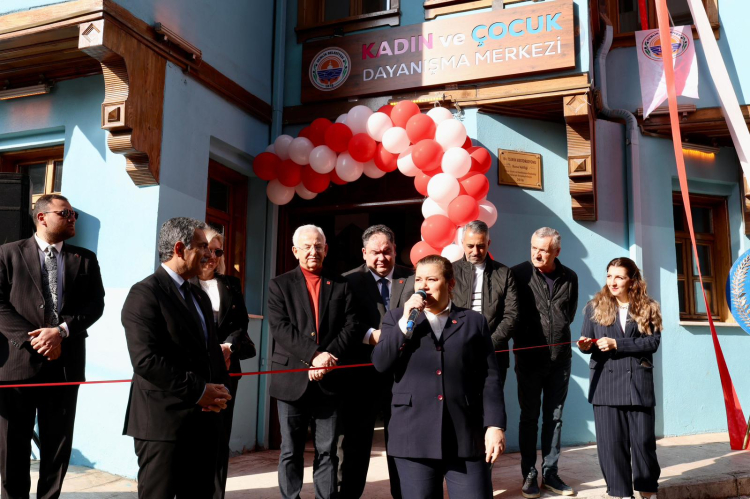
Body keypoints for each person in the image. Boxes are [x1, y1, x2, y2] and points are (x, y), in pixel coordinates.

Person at [373, 255, 506, 499]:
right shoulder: (395, 319)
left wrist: (494, 425)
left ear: (450, 283)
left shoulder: (474, 322)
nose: (423, 286)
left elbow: (490, 377)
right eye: (419, 280)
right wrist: (405, 321)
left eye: (432, 279)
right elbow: (381, 363)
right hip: (413, 435)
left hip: (465, 434)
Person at [0, 194, 105, 499]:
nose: (73, 218)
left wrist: (61, 332)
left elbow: (95, 305)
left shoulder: (85, 259)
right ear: (42, 217)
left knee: (57, 447)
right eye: (65, 213)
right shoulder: (7, 254)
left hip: (65, 366)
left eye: (74, 214)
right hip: (17, 366)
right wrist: (36, 339)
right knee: (12, 448)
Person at [121, 217, 231, 498]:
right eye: (202, 247)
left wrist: (219, 393)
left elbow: (209, 351)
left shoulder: (199, 296)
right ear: (180, 249)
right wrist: (200, 391)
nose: (209, 254)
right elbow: (146, 360)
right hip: (163, 426)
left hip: (204, 422)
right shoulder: (145, 293)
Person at [267, 224, 358, 499]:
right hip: (291, 380)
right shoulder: (279, 285)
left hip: (330, 381)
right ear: (295, 251)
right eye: (306, 247)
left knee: (327, 451)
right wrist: (315, 356)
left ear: (326, 249)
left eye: (318, 246)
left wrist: (327, 359)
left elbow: (351, 326)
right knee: (290, 451)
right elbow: (281, 329)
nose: (313, 251)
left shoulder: (341, 284)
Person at [578, 257, 662, 499]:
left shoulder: (648, 307)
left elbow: (652, 342)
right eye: (609, 276)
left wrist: (618, 344)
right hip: (605, 385)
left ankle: (647, 492)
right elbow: (586, 340)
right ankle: (621, 495)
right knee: (611, 446)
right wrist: (585, 345)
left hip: (638, 384)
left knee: (644, 444)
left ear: (632, 281)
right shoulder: (594, 307)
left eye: (619, 277)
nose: (612, 282)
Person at [340, 224, 413, 499]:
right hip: (362, 376)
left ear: (395, 250)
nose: (381, 258)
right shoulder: (347, 281)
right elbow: (344, 322)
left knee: (402, 442)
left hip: (403, 375)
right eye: (375, 252)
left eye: (387, 251)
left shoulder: (413, 278)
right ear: (364, 252)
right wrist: (373, 336)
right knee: (355, 444)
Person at [512, 227, 578, 498]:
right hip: (529, 359)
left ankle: (550, 473)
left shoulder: (570, 277)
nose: (537, 254)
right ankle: (529, 474)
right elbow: (512, 314)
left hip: (560, 359)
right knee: (529, 417)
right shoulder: (518, 274)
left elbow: (568, 314)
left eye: (543, 250)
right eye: (534, 248)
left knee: (555, 418)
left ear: (557, 252)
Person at [194, 224, 256, 499]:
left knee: (220, 437)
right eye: (208, 249)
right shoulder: (184, 283)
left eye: (218, 251)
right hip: (193, 373)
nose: (213, 256)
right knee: (193, 438)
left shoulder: (231, 283)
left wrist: (228, 347)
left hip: (227, 369)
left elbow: (241, 323)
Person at [452, 220, 519, 388]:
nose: (475, 251)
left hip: (494, 355)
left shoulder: (504, 273)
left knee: (492, 402)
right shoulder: (450, 272)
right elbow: (443, 310)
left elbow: (512, 315)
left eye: (481, 246)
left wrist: (490, 344)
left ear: (488, 243)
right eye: (470, 246)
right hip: (457, 353)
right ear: (462, 243)